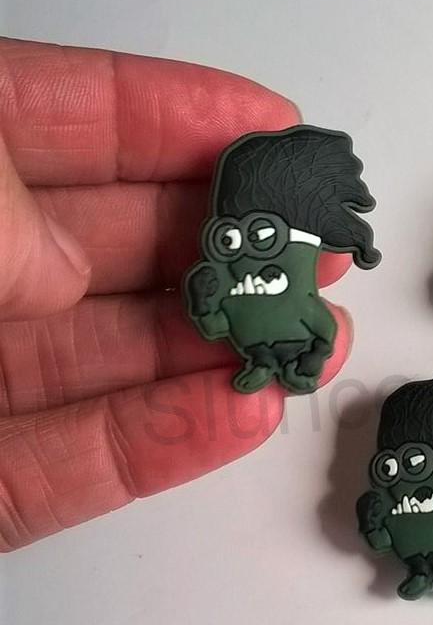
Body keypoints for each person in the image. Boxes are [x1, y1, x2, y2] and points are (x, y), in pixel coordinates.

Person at [0, 37, 353, 552]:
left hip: (295, 332)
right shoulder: (223, 277)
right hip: (254, 342)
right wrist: (208, 304)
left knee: (314, 337)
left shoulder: (294, 280)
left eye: (263, 237)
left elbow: (312, 322)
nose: (246, 250)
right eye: (232, 239)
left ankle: (285, 364)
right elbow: (214, 325)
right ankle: (264, 363)